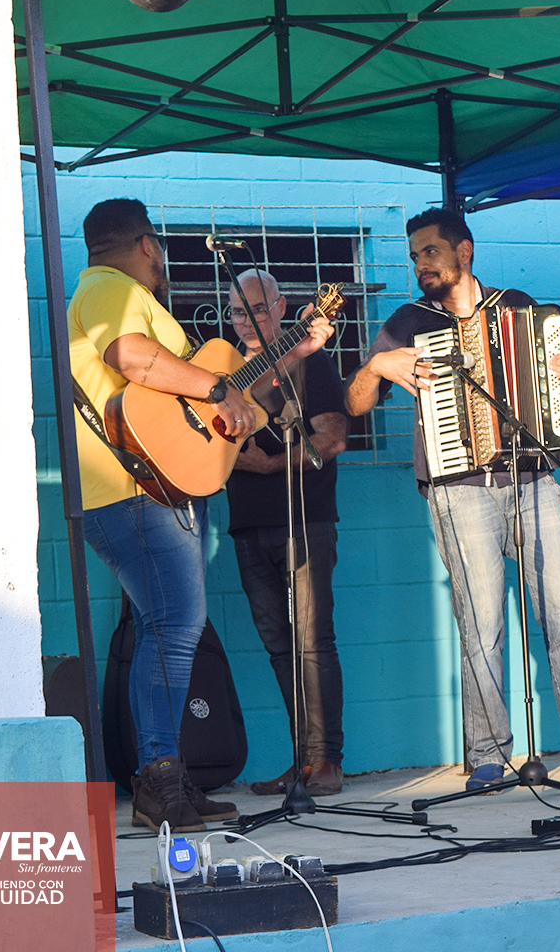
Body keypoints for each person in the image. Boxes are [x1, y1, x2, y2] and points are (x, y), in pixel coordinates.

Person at [68, 200, 332, 831]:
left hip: (156, 486)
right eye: (159, 252)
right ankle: (159, 783)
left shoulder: (129, 296)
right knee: (176, 626)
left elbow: (225, 392)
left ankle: (165, 778)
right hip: (136, 490)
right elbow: (130, 355)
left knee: (165, 628)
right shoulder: (109, 288)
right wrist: (216, 387)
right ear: (148, 246)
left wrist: (293, 351)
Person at [344, 208, 560, 793]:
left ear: (463, 251)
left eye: (430, 252)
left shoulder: (519, 307)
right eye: (414, 256)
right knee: (481, 626)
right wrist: (377, 364)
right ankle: (488, 755)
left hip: (533, 478)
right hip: (457, 490)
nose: (420, 265)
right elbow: (355, 405)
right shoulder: (407, 323)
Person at [223, 269, 347, 797]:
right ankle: (301, 762)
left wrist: (269, 465)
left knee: (312, 641)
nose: (245, 321)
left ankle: (327, 761)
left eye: (256, 309)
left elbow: (332, 438)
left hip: (304, 520)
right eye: (235, 311)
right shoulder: (223, 371)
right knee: (279, 646)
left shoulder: (310, 361)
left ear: (280, 308)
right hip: (246, 524)